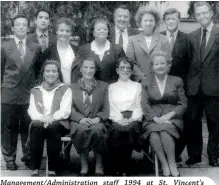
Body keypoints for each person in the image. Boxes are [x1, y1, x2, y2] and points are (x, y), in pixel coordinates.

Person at [1, 14, 41, 170]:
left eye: (24, 25)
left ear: (28, 27)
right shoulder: (4, 47)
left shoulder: (35, 47)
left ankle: (27, 155)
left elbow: (37, 71)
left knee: (27, 126)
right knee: (8, 127)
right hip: (9, 92)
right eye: (18, 25)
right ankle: (9, 158)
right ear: (13, 28)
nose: (21, 27)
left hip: (28, 92)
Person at [141, 51, 187, 177]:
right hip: (152, 118)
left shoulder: (177, 81)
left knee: (165, 132)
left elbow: (183, 104)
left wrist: (168, 116)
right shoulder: (145, 82)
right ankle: (164, 164)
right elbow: (144, 104)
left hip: (172, 117)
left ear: (168, 66)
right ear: (152, 67)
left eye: (163, 63)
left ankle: (172, 163)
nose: (160, 66)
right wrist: (155, 118)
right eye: (156, 64)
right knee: (154, 134)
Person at [185, 2, 219, 167]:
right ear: (195, 16)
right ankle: (194, 155)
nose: (202, 17)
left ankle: (214, 156)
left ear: (211, 13)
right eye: (198, 14)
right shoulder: (191, 36)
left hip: (214, 87)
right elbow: (189, 63)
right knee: (192, 122)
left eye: (204, 13)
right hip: (194, 87)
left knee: (215, 123)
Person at [27, 60, 72, 176]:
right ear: (43, 73)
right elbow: (32, 111)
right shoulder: (35, 90)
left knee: (53, 127)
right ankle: (35, 167)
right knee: (36, 127)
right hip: (40, 121)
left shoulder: (65, 89)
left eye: (54, 71)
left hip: (59, 122)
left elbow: (65, 111)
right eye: (48, 71)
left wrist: (51, 118)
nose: (50, 74)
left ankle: (53, 168)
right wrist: (42, 118)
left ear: (58, 74)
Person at [69, 57, 109, 176]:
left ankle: (99, 163)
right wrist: (81, 119)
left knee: (97, 129)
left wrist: (98, 118)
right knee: (82, 129)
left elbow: (107, 108)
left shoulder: (104, 86)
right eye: (85, 67)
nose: (88, 70)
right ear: (80, 69)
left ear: (95, 69)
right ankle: (84, 163)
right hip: (79, 121)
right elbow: (69, 108)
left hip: (97, 120)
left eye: (92, 67)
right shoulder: (71, 88)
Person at [161, 8, 191, 162]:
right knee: (161, 116)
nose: (171, 22)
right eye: (168, 19)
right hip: (161, 85)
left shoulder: (187, 39)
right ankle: (159, 151)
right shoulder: (158, 38)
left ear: (179, 20)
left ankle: (177, 152)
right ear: (164, 21)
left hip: (181, 85)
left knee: (179, 117)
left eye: (174, 19)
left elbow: (191, 64)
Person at [107, 56, 143, 176]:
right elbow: (111, 105)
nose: (125, 70)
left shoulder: (137, 86)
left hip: (133, 117)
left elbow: (139, 105)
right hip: (117, 117)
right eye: (122, 67)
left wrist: (132, 119)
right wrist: (119, 119)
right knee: (116, 130)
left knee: (129, 130)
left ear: (132, 71)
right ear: (117, 70)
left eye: (128, 68)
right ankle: (116, 166)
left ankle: (126, 166)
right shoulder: (111, 87)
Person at [73, 18, 125, 84]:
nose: (102, 31)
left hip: (112, 89)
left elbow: (124, 69)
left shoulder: (117, 49)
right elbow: (76, 72)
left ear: (108, 32)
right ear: (93, 32)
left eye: (105, 29)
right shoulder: (83, 49)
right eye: (98, 29)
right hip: (89, 90)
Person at [126, 7, 170, 84]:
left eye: (151, 20)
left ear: (155, 22)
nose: (148, 23)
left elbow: (168, 62)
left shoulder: (164, 39)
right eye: (145, 20)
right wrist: (142, 77)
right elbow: (130, 61)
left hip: (160, 82)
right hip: (139, 82)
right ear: (140, 22)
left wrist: (159, 77)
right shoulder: (132, 40)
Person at [43, 17, 79, 85]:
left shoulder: (77, 51)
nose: (64, 33)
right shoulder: (48, 52)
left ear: (71, 33)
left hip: (74, 90)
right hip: (55, 90)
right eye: (61, 30)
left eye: (67, 31)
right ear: (56, 31)